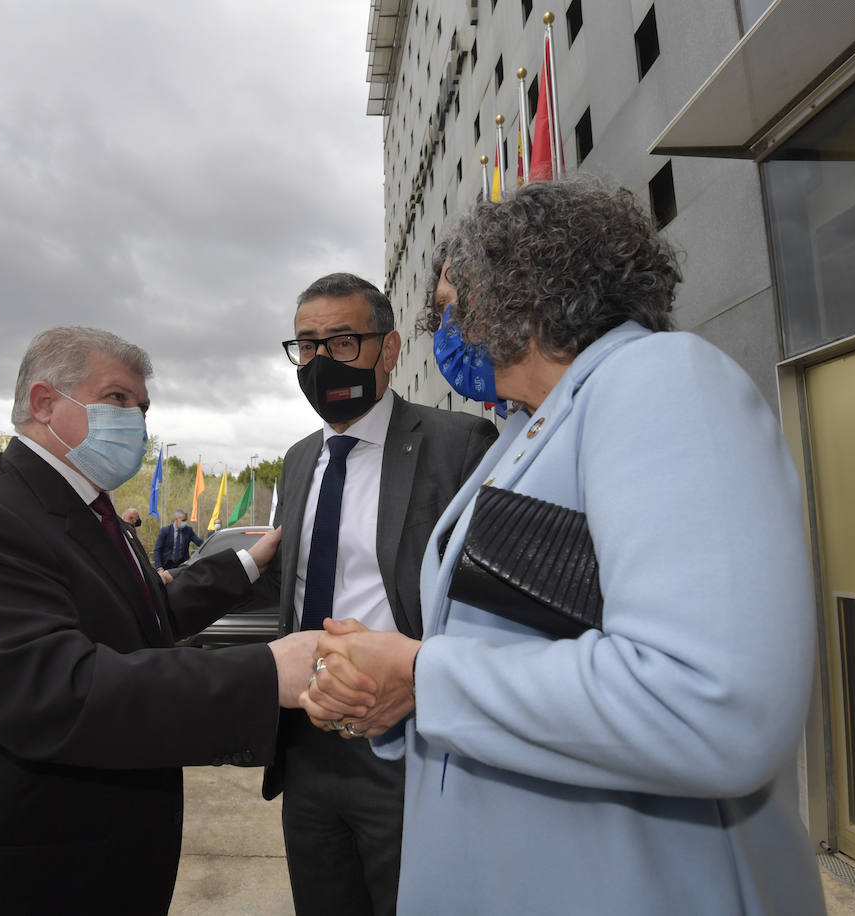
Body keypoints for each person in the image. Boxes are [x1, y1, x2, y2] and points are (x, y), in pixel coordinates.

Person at [302, 180, 826, 914]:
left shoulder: (660, 378)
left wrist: (421, 675)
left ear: (518, 288)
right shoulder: (528, 426)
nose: (442, 329)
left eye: (450, 304)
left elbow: (711, 703)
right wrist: (391, 695)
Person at [0, 326, 318, 915]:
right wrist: (266, 673)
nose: (137, 422)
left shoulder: (90, 510)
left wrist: (246, 565)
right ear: (44, 403)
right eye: (117, 398)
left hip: (79, 863)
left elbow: (139, 618)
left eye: (142, 407)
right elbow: (52, 690)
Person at [267, 272, 497, 916]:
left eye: (343, 341)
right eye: (307, 345)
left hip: (407, 741)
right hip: (306, 742)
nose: (321, 360)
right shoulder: (297, 459)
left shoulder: (459, 444)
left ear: (389, 349)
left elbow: (488, 606)